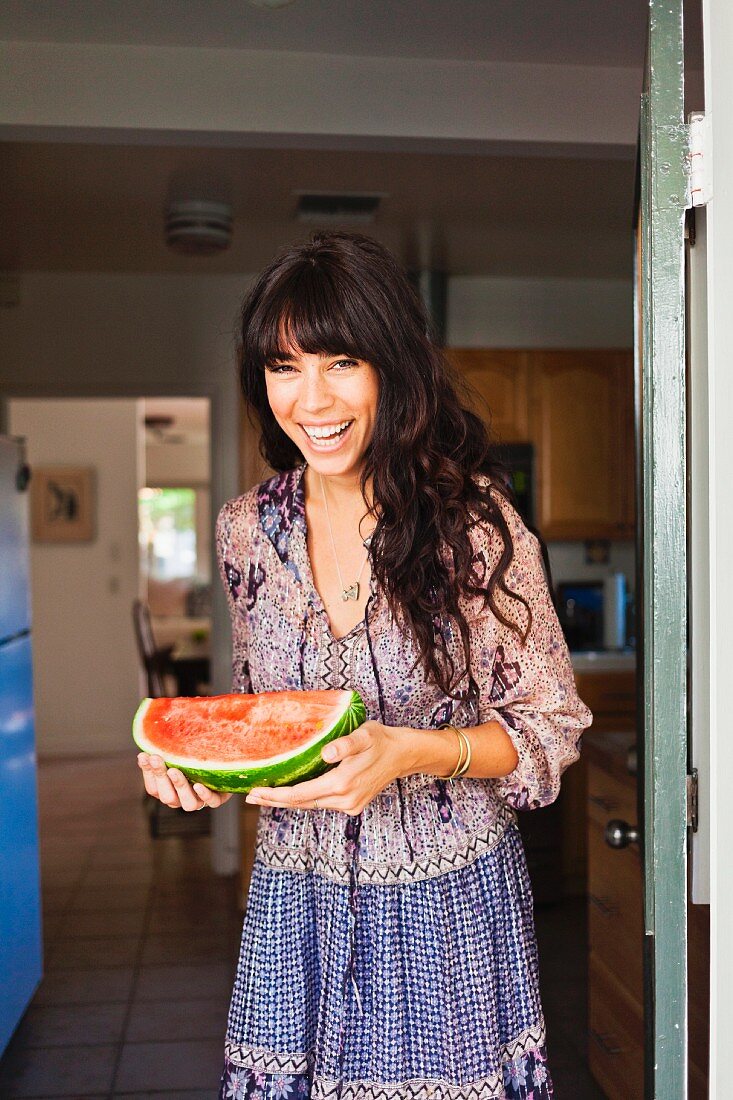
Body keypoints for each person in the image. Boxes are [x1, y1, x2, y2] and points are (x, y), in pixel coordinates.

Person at [138, 231, 593, 1099]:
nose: (310, 399)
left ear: (392, 367)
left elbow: (549, 724)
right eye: (282, 367)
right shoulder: (246, 531)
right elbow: (262, 721)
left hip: (446, 909)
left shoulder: (473, 522)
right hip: (293, 907)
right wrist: (193, 767)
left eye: (340, 362)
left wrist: (414, 751)